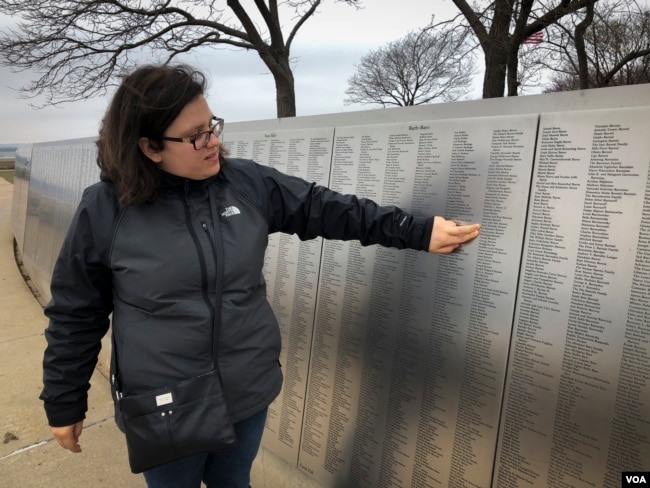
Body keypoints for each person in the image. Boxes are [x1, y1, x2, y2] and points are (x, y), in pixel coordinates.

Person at [40, 64, 480, 487]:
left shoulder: (245, 183)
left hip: (247, 390)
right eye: (195, 137)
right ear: (149, 147)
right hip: (165, 405)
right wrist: (64, 399)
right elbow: (76, 313)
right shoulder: (105, 210)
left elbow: (324, 208)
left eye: (212, 125)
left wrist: (415, 231)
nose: (212, 141)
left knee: (233, 480)